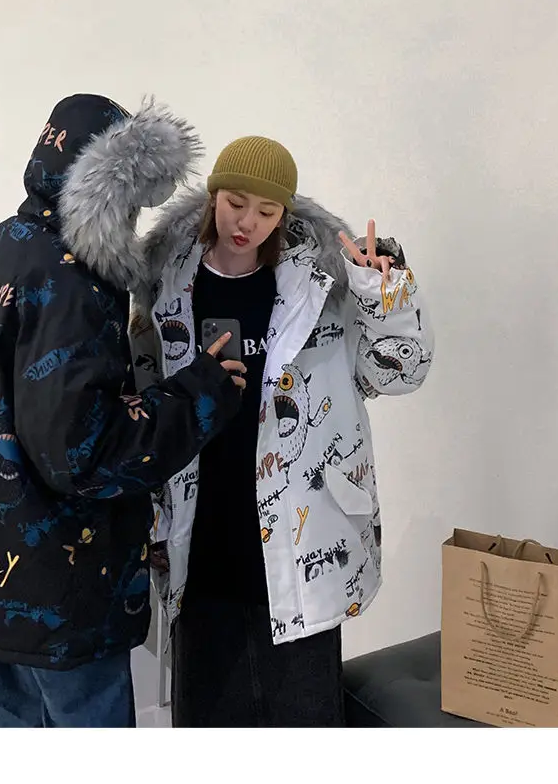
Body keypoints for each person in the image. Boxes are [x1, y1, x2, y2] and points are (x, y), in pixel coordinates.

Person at [0, 94, 246, 729]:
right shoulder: (72, 282)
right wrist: (201, 392)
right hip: (59, 578)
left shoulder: (12, 240)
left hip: (0, 561)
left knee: (19, 711)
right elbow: (85, 452)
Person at [130, 135, 434, 727]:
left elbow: (397, 374)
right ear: (213, 196)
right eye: (235, 203)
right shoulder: (165, 281)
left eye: (267, 211)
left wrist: (385, 296)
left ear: (284, 215)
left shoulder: (324, 286)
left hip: (302, 531)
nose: (247, 222)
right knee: (208, 719)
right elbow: (144, 392)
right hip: (201, 526)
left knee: (304, 718)